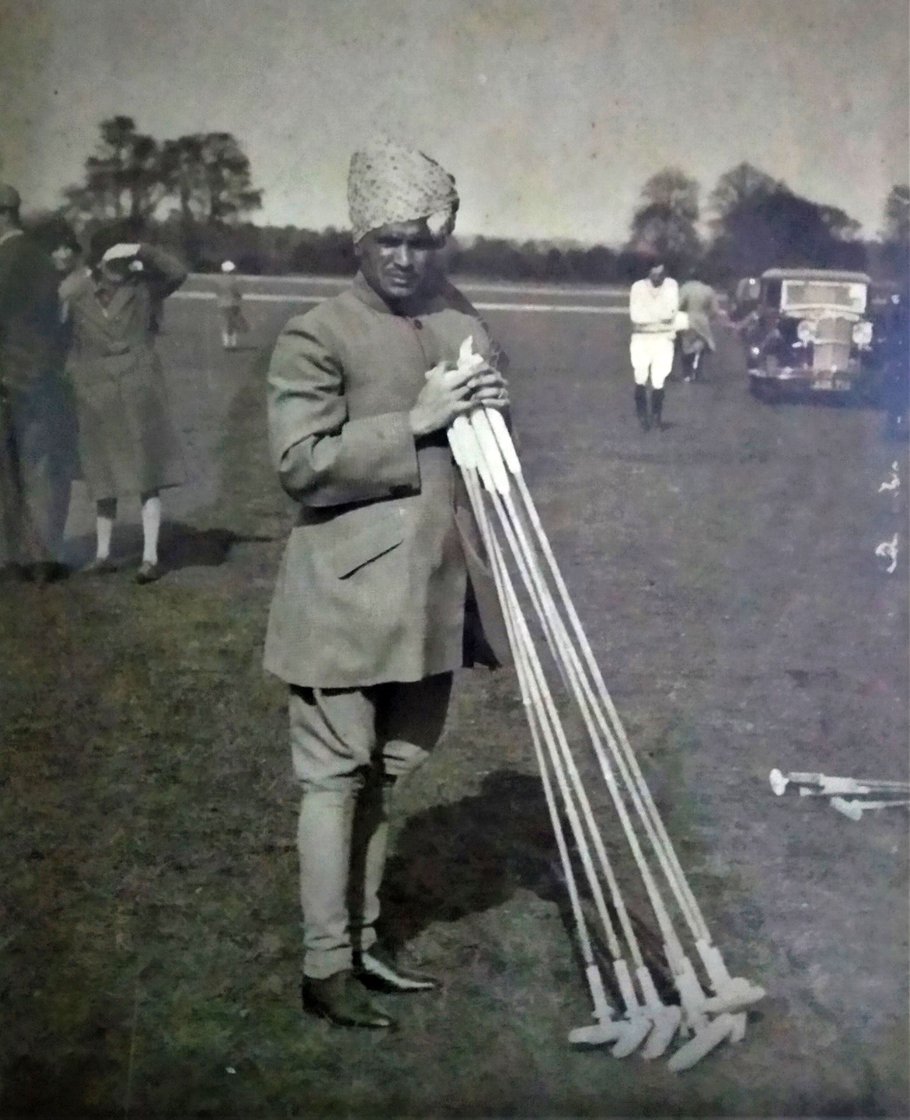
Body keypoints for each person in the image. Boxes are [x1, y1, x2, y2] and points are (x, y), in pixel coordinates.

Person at [264, 139, 510, 1030]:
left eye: (423, 241)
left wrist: (489, 398)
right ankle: (324, 967)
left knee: (390, 774)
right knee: (335, 778)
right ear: (358, 240)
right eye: (390, 241)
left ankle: (363, 947)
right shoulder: (316, 332)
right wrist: (412, 421)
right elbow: (300, 464)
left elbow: (495, 410)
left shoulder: (456, 317)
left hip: (435, 599)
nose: (408, 258)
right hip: (342, 600)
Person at [63, 228, 187, 583]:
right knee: (101, 474)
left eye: (127, 261)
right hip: (96, 395)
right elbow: (59, 323)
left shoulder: (144, 288)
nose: (124, 268)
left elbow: (178, 273)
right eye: (116, 262)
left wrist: (142, 249)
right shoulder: (78, 293)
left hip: (138, 392)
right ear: (100, 263)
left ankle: (150, 556)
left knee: (148, 474)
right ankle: (103, 554)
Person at [0, 185, 75, 582]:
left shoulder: (4, 259)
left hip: (8, 381)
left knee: (8, 476)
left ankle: (13, 561)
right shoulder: (43, 262)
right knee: (41, 470)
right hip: (42, 380)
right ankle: (43, 558)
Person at [628, 259, 679, 431]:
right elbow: (636, 316)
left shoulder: (671, 285)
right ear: (649, 272)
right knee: (640, 376)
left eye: (661, 274)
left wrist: (650, 316)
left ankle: (656, 416)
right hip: (642, 339)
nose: (659, 277)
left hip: (663, 340)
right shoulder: (638, 287)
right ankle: (643, 415)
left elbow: (672, 312)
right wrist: (660, 317)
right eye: (655, 273)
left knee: (659, 379)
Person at [677, 268, 723, 382]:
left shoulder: (685, 288)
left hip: (687, 320)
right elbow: (714, 310)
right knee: (701, 347)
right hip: (702, 321)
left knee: (686, 347)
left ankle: (686, 373)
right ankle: (698, 372)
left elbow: (677, 305)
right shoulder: (708, 290)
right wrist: (708, 317)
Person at [216, 260, 248, 350]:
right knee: (232, 323)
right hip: (233, 304)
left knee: (225, 322)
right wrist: (239, 297)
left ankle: (226, 342)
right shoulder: (234, 280)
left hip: (222, 304)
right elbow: (236, 292)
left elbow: (217, 292)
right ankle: (233, 343)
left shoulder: (219, 280)